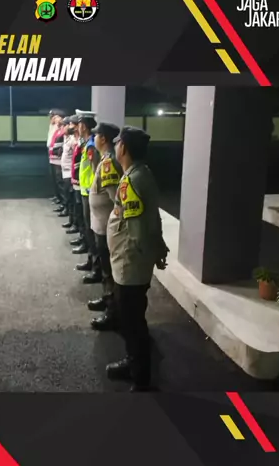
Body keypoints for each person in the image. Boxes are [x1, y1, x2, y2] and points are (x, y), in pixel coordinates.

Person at [106, 126, 169, 392]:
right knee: (133, 318)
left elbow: (139, 232)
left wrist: (148, 255)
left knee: (132, 322)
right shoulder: (142, 173)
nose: (115, 147)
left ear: (123, 147)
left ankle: (140, 375)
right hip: (133, 264)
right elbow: (153, 217)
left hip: (130, 264)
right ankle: (134, 363)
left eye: (117, 143)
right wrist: (158, 249)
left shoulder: (131, 181)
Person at [87, 122, 123, 331]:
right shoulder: (105, 159)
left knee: (109, 269)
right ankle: (107, 298)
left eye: (97, 135)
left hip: (106, 227)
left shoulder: (109, 163)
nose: (94, 138)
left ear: (103, 139)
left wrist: (114, 227)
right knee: (105, 267)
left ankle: (113, 312)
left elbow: (116, 200)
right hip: (100, 225)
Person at [75, 110, 101, 284]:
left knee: (92, 232)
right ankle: (92, 261)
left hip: (90, 193)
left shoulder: (91, 145)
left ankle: (97, 269)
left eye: (79, 123)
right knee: (89, 230)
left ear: (83, 125)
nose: (77, 126)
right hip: (86, 191)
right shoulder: (87, 143)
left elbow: (96, 170)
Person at [59, 115, 79, 230]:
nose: (64, 128)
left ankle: (75, 223)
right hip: (65, 171)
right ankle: (72, 221)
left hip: (70, 173)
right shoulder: (68, 138)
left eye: (69, 124)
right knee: (69, 198)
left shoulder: (74, 141)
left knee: (72, 200)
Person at [49, 112, 66, 214]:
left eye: (57, 117)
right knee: (58, 181)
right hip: (54, 159)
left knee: (61, 182)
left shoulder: (63, 132)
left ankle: (64, 203)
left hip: (59, 160)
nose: (55, 119)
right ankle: (62, 202)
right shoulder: (57, 130)